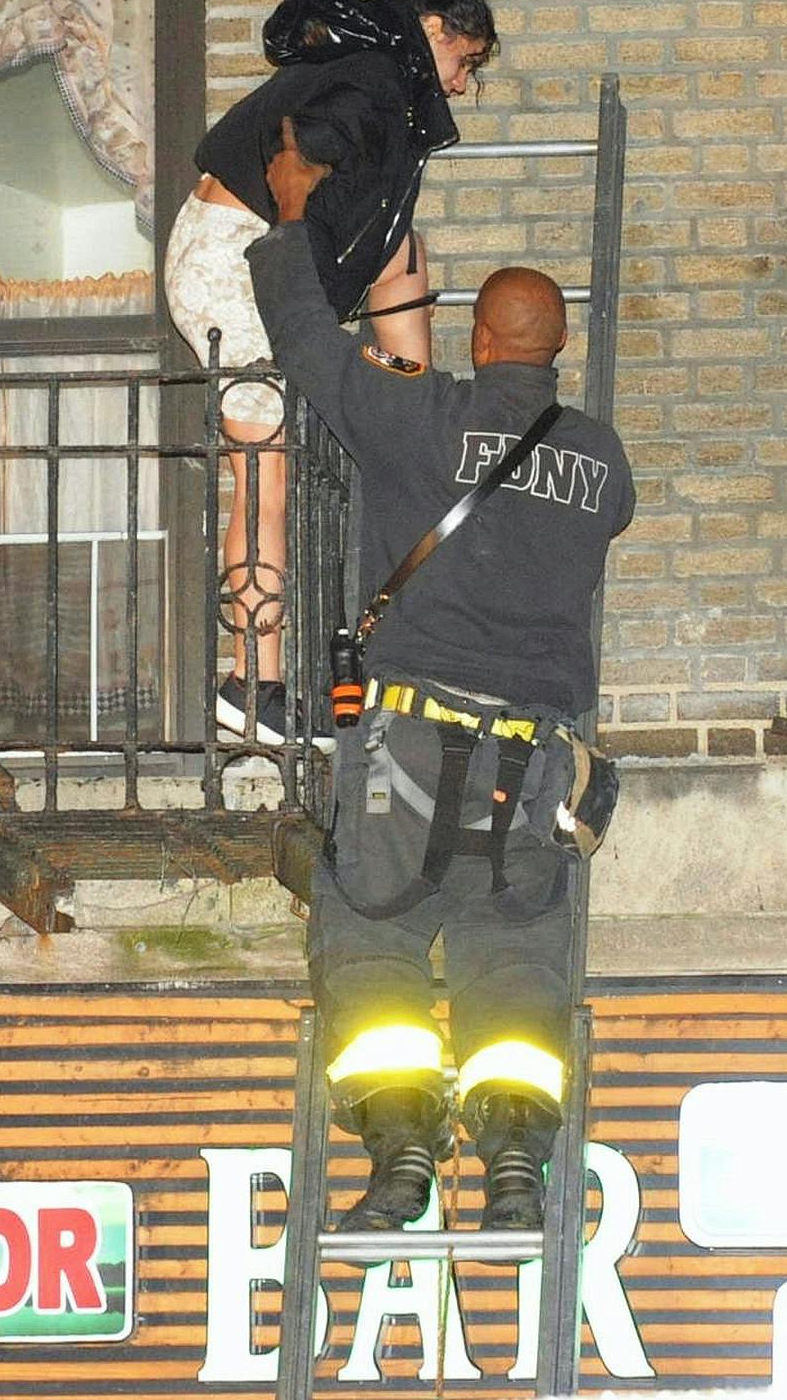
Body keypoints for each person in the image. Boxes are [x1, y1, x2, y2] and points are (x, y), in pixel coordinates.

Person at [250, 118, 635, 1234]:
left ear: (477, 338)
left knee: (368, 937)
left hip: (405, 751)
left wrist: (288, 218)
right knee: (513, 961)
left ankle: (399, 1167)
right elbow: (600, 508)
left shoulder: (421, 420)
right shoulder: (599, 460)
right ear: (555, 349)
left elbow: (305, 348)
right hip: (527, 767)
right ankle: (515, 1181)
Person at [166, 0, 494, 745]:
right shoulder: (379, 76)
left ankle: (405, 415)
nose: (461, 84)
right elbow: (298, 167)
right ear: (436, 31)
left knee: (402, 247)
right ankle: (250, 683)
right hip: (236, 263)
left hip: (237, 255)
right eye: (466, 61)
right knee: (261, 475)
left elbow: (369, 227)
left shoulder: (376, 72)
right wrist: (298, 261)